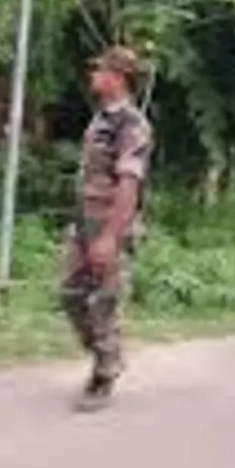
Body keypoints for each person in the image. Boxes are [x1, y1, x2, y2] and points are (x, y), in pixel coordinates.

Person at [60, 46, 152, 411]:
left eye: (100, 70)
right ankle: (106, 352)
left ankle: (104, 370)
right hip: (84, 218)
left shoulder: (132, 125)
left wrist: (112, 236)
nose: (93, 76)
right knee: (69, 293)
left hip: (110, 220)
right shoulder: (99, 119)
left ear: (118, 77)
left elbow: (129, 184)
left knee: (103, 298)